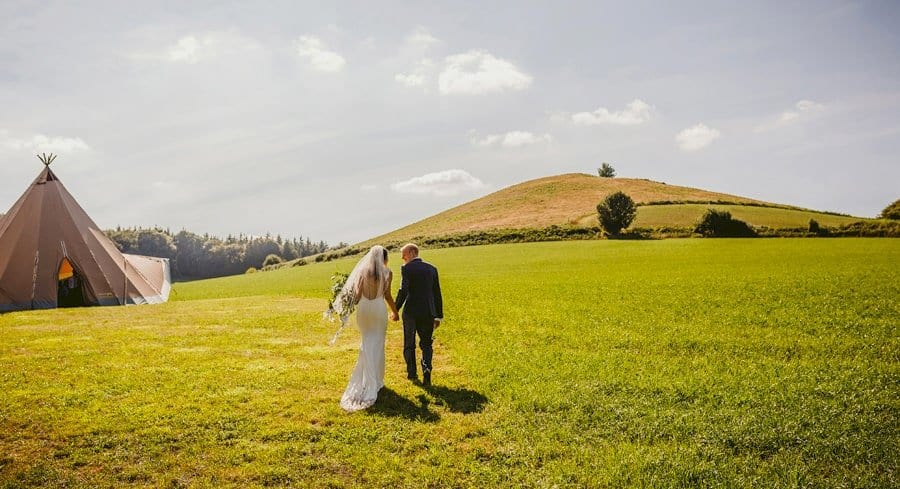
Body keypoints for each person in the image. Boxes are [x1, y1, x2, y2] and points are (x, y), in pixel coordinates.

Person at [336, 246, 400, 412]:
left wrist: (347, 301)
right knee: (377, 344)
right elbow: (387, 296)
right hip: (378, 309)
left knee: (366, 342)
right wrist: (395, 312)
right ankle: (376, 381)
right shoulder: (388, 272)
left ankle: (368, 380)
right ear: (384, 258)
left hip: (364, 309)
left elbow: (356, 297)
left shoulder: (362, 271)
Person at [395, 243, 443, 386]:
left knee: (409, 343)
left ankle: (412, 374)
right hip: (428, 312)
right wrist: (438, 315)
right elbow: (437, 294)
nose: (402, 257)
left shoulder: (406, 269)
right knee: (426, 344)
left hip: (410, 312)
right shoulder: (432, 269)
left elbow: (403, 291)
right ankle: (427, 372)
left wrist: (395, 309)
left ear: (411, 252)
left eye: (403, 254)